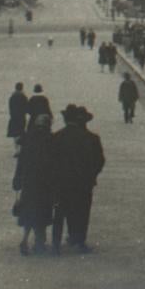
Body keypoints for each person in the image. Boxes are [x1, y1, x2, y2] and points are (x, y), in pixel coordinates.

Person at [51, 105, 104, 254]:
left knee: (59, 213)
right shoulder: (91, 138)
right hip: (83, 183)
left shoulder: (56, 137)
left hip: (61, 183)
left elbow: (50, 160)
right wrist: (91, 175)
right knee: (82, 211)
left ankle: (56, 244)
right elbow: (99, 160)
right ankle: (79, 241)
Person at [13, 113, 60, 255]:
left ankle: (25, 238)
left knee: (28, 211)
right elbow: (55, 163)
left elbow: (21, 162)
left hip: (29, 182)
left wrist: (17, 180)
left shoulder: (28, 139)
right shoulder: (51, 140)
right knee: (43, 212)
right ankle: (39, 242)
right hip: (45, 183)